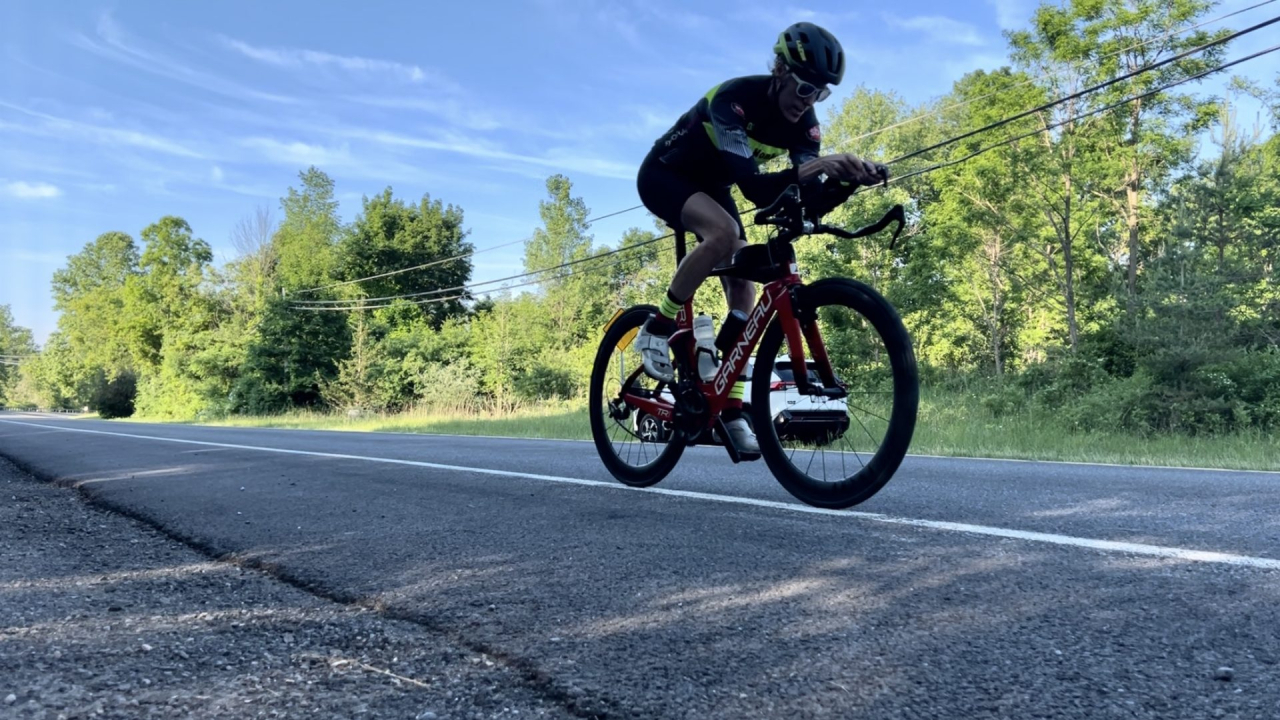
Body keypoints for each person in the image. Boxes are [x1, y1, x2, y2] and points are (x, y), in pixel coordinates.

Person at [634, 21, 887, 453]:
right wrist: (819, 165)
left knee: (744, 286)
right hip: (666, 173)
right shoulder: (734, 100)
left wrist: (848, 183)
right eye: (805, 87)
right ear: (780, 71)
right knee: (723, 233)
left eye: (820, 93)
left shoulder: (805, 126)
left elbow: (808, 199)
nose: (808, 101)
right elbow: (753, 188)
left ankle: (728, 407)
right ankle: (656, 326)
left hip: (713, 186)